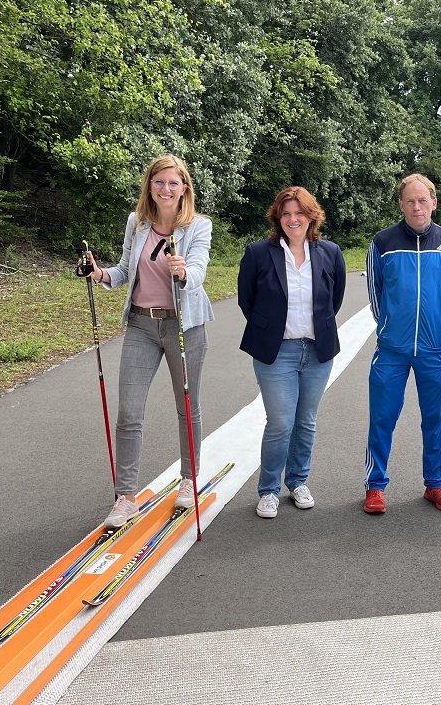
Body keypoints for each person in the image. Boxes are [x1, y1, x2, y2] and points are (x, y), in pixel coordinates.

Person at [79, 154, 214, 528]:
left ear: (184, 187)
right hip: (141, 323)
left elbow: (199, 269)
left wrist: (184, 271)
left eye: (173, 183)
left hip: (185, 326)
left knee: (187, 406)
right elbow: (124, 270)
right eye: (159, 182)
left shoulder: (198, 226)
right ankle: (125, 497)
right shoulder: (136, 223)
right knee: (129, 412)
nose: (166, 189)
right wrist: (99, 273)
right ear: (149, 186)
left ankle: (189, 479)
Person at [238, 187, 346, 519]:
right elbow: (247, 300)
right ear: (278, 218)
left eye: (299, 213)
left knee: (306, 421)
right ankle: (269, 489)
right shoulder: (258, 253)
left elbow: (335, 297)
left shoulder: (330, 252)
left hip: (317, 351)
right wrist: (270, 329)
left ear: (311, 216)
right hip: (276, 352)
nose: (292, 219)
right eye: (286, 213)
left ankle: (298, 481)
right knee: (281, 422)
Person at [363, 174, 441, 514]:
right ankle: (375, 486)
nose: (417, 207)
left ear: (434, 202)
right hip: (392, 348)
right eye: (410, 201)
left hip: (434, 349)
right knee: (382, 417)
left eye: (423, 200)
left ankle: (435, 484)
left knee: (435, 418)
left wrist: (436, 329)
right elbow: (375, 295)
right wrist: (391, 327)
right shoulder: (383, 242)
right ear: (401, 204)